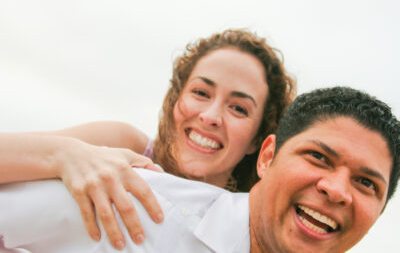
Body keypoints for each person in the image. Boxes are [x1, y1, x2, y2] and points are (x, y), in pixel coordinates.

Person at [1, 86, 399, 253]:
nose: (336, 189)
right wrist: (58, 154)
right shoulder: (130, 205)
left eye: (366, 183)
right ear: (266, 157)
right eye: (318, 157)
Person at [0, 29, 295, 249]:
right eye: (201, 93)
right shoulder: (120, 145)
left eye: (238, 108)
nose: (211, 116)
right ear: (175, 97)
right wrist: (64, 155)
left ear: (259, 141)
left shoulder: (249, 230)